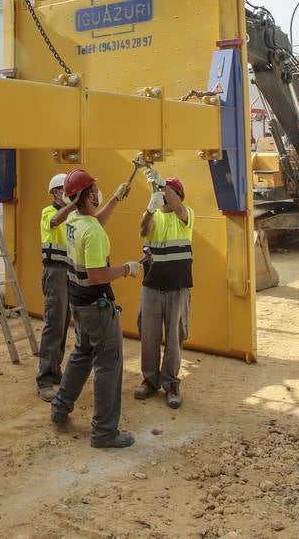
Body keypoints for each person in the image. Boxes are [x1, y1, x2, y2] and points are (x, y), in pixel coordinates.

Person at [50, 168, 142, 449]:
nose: (97, 194)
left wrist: (114, 198)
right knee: (108, 363)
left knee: (82, 353)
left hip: (79, 304)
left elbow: (95, 222)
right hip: (98, 307)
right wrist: (127, 268)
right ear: (89, 196)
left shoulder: (75, 222)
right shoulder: (93, 234)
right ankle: (104, 431)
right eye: (95, 192)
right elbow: (98, 275)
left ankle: (60, 407)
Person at [134, 171, 193, 409]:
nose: (164, 197)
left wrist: (161, 184)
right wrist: (150, 207)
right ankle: (150, 380)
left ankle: (171, 382)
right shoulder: (154, 216)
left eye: (168, 193)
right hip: (152, 286)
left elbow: (178, 207)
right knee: (148, 335)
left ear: (177, 195)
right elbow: (143, 229)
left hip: (177, 287)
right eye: (161, 193)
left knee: (174, 336)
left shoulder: (185, 215)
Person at [36, 173, 73, 402]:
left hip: (70, 272)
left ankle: (56, 369)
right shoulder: (48, 212)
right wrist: (73, 206)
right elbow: (55, 221)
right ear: (56, 192)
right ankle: (45, 379)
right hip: (55, 273)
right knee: (54, 324)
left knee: (63, 323)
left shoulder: (72, 214)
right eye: (65, 190)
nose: (69, 194)